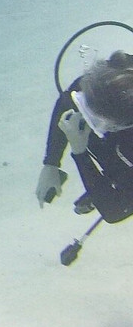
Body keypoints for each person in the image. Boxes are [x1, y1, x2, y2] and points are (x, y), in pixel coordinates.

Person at [37, 50, 133, 223]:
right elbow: (69, 99)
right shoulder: (118, 74)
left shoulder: (127, 147)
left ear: (116, 125)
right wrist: (51, 163)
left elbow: (115, 211)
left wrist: (80, 153)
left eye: (96, 120)